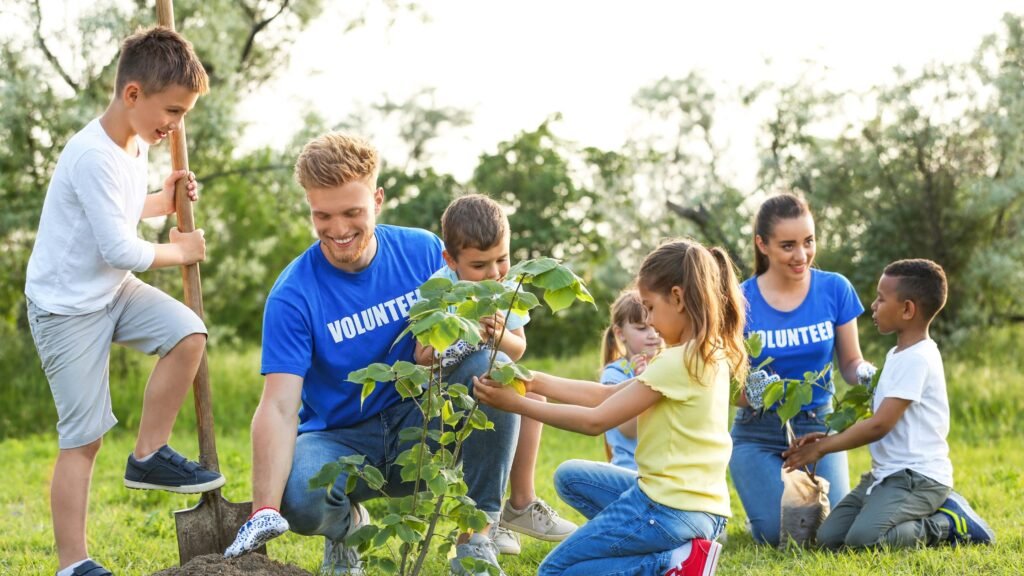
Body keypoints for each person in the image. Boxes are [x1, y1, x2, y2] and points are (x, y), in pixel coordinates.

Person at [223, 134, 519, 576]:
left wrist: (461, 342)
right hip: (340, 439)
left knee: (496, 368)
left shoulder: (422, 253)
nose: (338, 230)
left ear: (377, 200)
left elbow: (490, 321)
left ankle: (477, 534)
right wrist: (263, 508)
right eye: (322, 215)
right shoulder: (293, 294)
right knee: (300, 496)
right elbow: (279, 405)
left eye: (352, 213)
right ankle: (348, 530)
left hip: (420, 421)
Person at [23, 27, 221, 576]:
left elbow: (127, 209)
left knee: (188, 334)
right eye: (172, 111)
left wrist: (168, 196)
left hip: (108, 288)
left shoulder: (134, 144)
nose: (175, 125)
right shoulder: (90, 154)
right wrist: (180, 250)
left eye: (181, 115)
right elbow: (121, 247)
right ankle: (73, 564)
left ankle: (148, 456)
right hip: (66, 309)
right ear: (133, 94)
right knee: (83, 439)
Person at [475, 238, 745, 576]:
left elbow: (595, 421)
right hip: (704, 511)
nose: (649, 320)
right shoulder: (707, 352)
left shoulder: (677, 362)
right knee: (571, 478)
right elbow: (608, 394)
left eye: (649, 308)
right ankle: (675, 548)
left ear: (677, 297)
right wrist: (532, 381)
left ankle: (671, 564)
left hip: (667, 507)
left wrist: (516, 404)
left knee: (554, 571)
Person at [783, 259, 995, 548]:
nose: (873, 305)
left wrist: (821, 448)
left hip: (918, 477)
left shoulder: (918, 358)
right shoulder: (897, 354)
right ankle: (893, 510)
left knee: (863, 541)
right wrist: (828, 436)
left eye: (881, 299)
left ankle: (945, 523)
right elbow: (880, 417)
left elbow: (880, 424)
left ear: (907, 309)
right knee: (829, 538)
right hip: (885, 476)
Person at [413, 194, 577, 556]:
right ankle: (482, 524)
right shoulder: (439, 291)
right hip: (443, 400)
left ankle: (519, 504)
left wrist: (500, 335)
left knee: (531, 394)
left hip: (489, 386)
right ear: (450, 261)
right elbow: (422, 356)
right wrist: (465, 327)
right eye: (479, 265)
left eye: (502, 259)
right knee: (501, 375)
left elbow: (517, 347)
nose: (493, 273)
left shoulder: (506, 288)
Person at [729, 193, 875, 546]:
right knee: (776, 535)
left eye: (808, 242)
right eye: (788, 245)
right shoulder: (739, 300)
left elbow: (851, 363)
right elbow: (730, 388)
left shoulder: (834, 289)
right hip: (757, 433)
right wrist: (754, 392)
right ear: (762, 244)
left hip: (819, 430)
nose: (802, 255)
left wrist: (872, 376)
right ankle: (763, 509)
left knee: (828, 534)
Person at [598, 289, 662, 470]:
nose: (652, 334)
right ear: (620, 334)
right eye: (642, 328)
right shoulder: (614, 374)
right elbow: (629, 429)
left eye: (655, 326)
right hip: (630, 471)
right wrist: (644, 380)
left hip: (662, 473)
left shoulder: (667, 365)